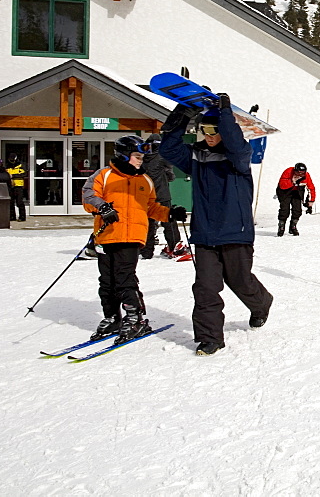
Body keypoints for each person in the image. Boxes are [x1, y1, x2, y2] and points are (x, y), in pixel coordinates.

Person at [159, 97, 274, 356]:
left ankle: (261, 303)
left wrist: (224, 115)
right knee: (205, 287)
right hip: (205, 233)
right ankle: (210, 338)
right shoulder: (196, 157)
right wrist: (184, 112)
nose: (209, 136)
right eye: (205, 130)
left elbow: (235, 144)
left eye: (214, 131)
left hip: (236, 232)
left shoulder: (240, 158)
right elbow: (168, 148)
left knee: (240, 281)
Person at [82, 135, 186, 344]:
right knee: (107, 281)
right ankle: (112, 317)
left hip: (132, 236)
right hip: (107, 235)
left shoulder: (145, 180)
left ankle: (134, 317)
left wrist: (170, 214)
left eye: (142, 156)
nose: (141, 160)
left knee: (124, 278)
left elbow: (151, 207)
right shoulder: (105, 175)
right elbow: (88, 196)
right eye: (137, 156)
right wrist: (103, 207)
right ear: (124, 155)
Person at [141, 133, 189, 260]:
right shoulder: (161, 157)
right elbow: (170, 174)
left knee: (150, 222)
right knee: (168, 220)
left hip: (146, 195)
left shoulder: (142, 158)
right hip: (162, 193)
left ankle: (147, 250)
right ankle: (175, 246)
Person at [276, 162, 317, 237]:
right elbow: (282, 185)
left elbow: (311, 188)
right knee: (284, 210)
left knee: (297, 210)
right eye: (298, 173)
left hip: (297, 192)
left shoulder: (306, 176)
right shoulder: (288, 171)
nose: (300, 175)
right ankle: (281, 226)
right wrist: (292, 181)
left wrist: (311, 201)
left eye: (302, 173)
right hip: (284, 191)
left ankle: (293, 226)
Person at [5, 153, 26, 221]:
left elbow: (23, 174)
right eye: (10, 160)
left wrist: (13, 176)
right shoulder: (7, 167)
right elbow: (6, 175)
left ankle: (22, 217)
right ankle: (12, 216)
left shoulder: (21, 166)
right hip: (10, 186)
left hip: (19, 186)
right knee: (11, 202)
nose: (12, 162)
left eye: (13, 160)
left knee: (19, 202)